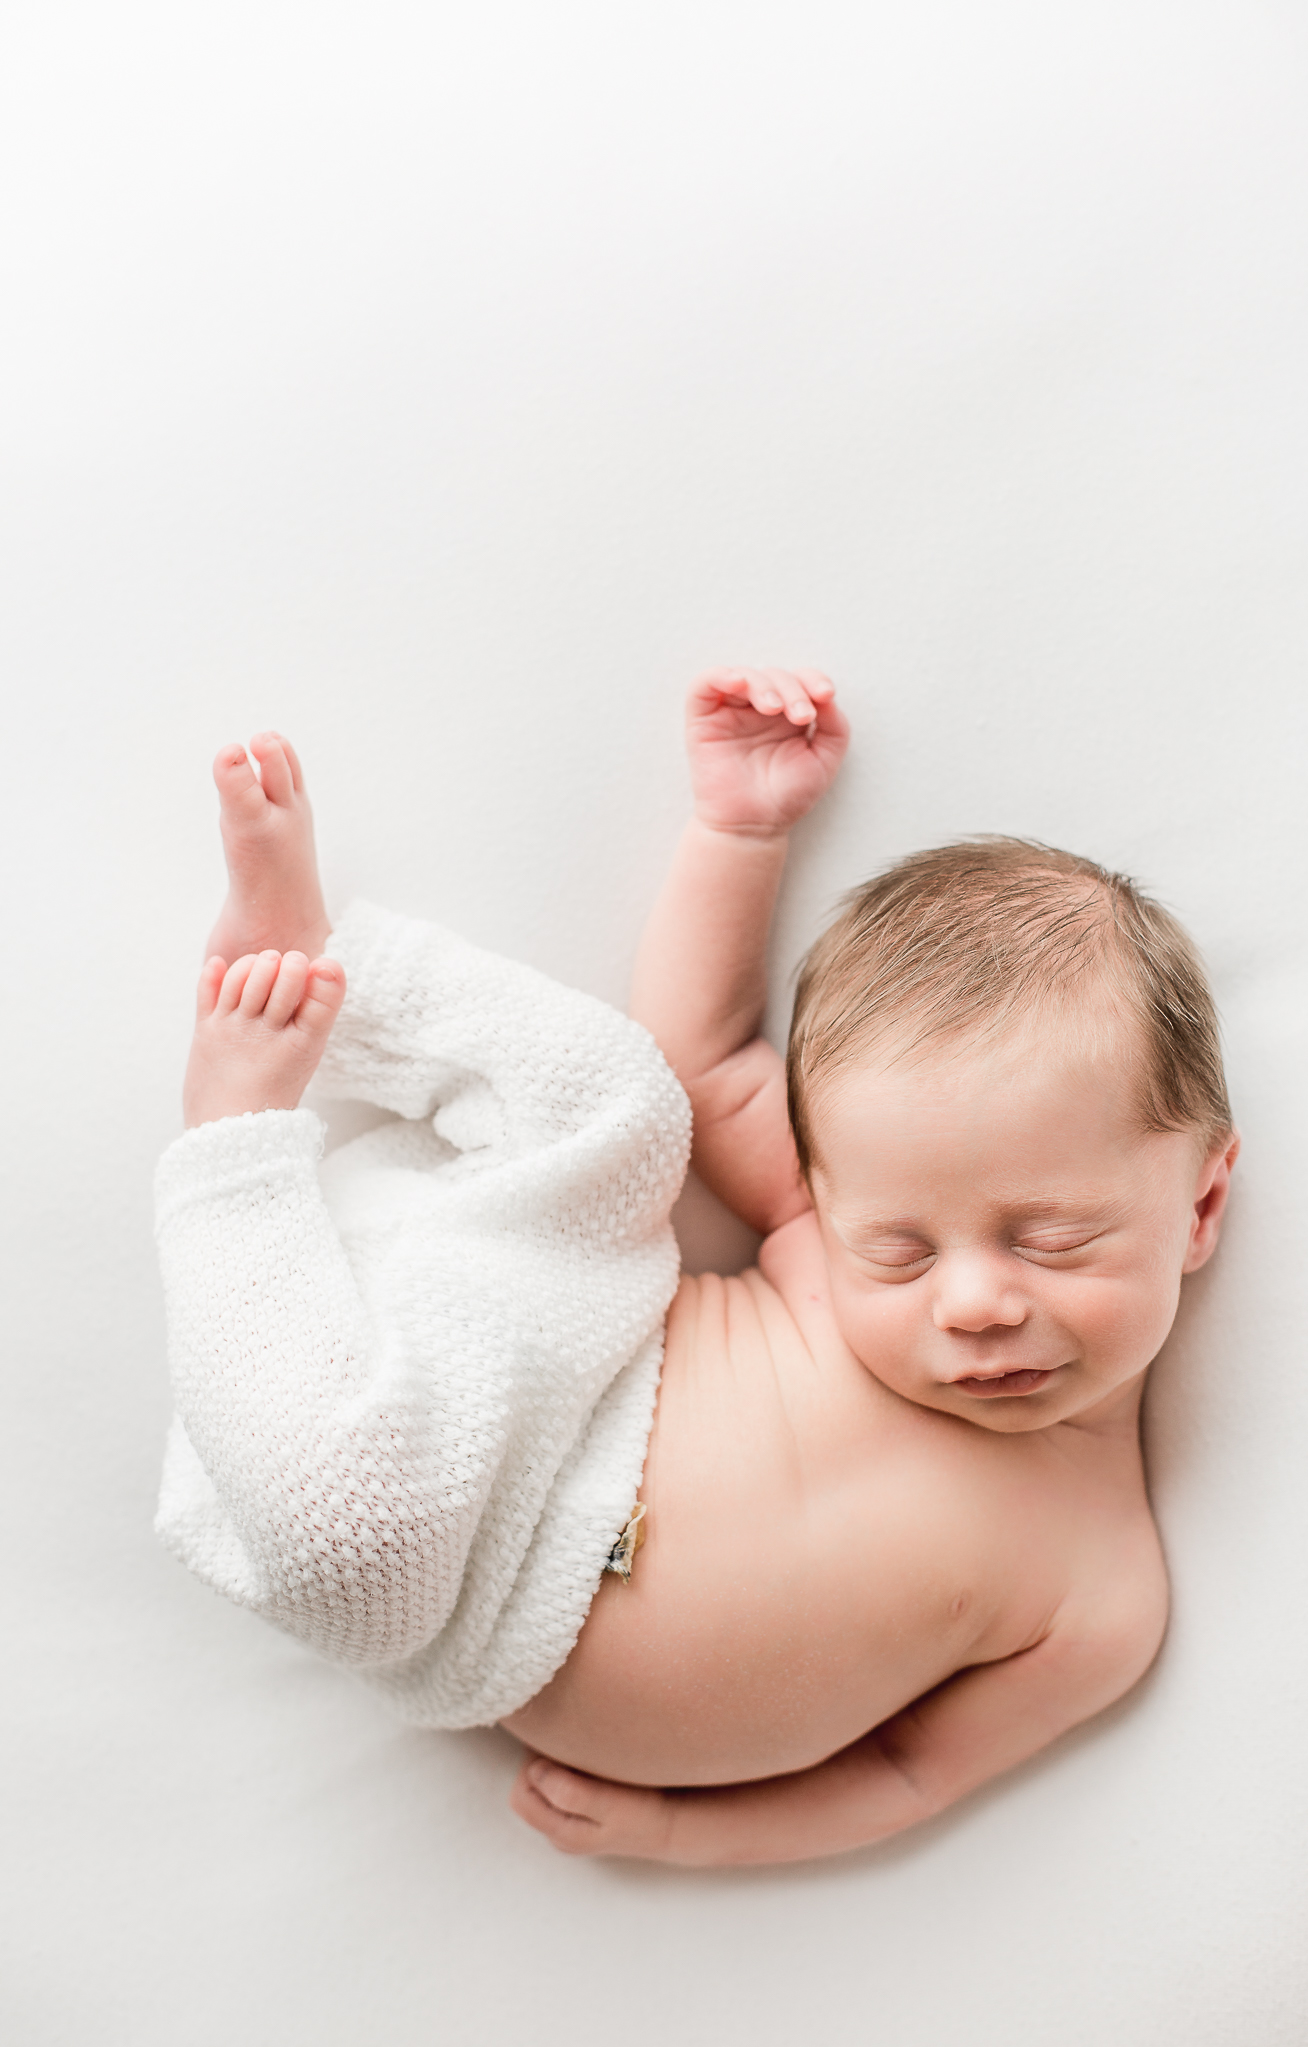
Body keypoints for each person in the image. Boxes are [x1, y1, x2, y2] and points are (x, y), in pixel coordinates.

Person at [159, 670, 1237, 1865]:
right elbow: (704, 1051)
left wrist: (685, 1833)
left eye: (1051, 1239)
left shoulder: (1106, 1596)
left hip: (454, 1579)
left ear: (1199, 1202)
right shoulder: (824, 1234)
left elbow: (910, 1770)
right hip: (526, 1357)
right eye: (900, 1248)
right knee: (632, 1097)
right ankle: (310, 990)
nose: (974, 1301)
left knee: (352, 1549)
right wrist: (741, 829)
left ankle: (240, 1163)